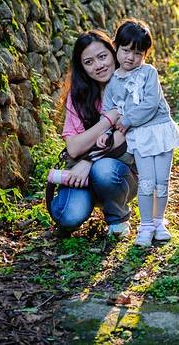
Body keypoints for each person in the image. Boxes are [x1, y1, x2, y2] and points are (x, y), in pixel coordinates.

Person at [99, 18, 179, 247]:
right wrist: (105, 131)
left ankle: (159, 222)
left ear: (145, 55)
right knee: (147, 181)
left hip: (160, 130)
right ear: (116, 47)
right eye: (126, 50)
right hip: (140, 136)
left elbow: (151, 103)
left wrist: (128, 119)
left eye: (137, 53)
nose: (131, 57)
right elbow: (108, 111)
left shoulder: (149, 73)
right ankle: (146, 225)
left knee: (162, 180)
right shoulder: (112, 82)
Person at [48, 30, 137, 237]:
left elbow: (121, 138)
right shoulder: (79, 96)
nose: (98, 65)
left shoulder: (133, 86)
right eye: (89, 62)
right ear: (82, 68)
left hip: (119, 175)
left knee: (104, 170)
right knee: (67, 216)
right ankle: (82, 201)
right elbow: (73, 148)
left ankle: (117, 219)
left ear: (113, 53)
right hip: (80, 175)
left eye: (102, 56)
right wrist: (108, 120)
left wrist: (89, 161)